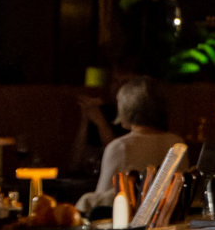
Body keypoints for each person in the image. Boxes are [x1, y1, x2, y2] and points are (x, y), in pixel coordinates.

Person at [77, 76, 189, 214]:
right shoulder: (177, 142)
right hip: (170, 222)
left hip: (129, 225)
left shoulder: (120, 147)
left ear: (127, 108)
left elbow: (100, 205)